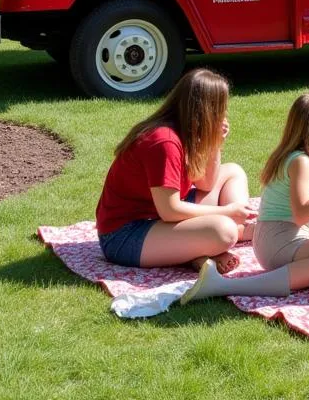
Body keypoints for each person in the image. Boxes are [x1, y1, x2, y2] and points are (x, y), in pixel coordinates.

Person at [181, 93, 309, 305]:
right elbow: (301, 213)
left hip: (296, 228)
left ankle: (304, 265)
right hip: (278, 237)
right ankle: (223, 285)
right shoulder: (300, 161)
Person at [95, 68, 253, 272]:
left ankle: (207, 247)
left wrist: (215, 144)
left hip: (158, 218)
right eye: (221, 108)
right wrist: (227, 212)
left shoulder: (182, 130)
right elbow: (169, 211)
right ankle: (229, 235)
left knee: (233, 171)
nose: (224, 114)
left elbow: (206, 184)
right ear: (206, 111)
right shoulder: (164, 142)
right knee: (225, 231)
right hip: (125, 235)